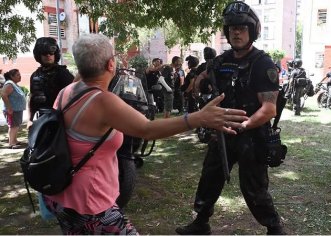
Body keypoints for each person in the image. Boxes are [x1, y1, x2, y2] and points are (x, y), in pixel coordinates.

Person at [42, 33, 247, 234]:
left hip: (61, 195)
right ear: (111, 64)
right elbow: (147, 129)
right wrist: (198, 118)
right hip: (90, 202)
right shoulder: (103, 101)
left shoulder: (66, 92)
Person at [176, 1, 286, 235]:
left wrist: (244, 125)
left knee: (254, 189)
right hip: (222, 133)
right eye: (232, 28)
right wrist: (199, 81)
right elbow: (202, 78)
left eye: (242, 28)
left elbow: (269, 109)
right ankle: (201, 223)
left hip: (252, 135)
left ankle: (274, 228)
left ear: (252, 31)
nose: (236, 32)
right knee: (209, 178)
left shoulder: (262, 64)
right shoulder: (221, 61)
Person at [28, 37, 74, 125]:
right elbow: (32, 99)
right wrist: (30, 120)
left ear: (55, 54)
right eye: (45, 53)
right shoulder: (35, 75)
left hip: (60, 120)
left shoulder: (63, 73)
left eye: (51, 53)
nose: (48, 55)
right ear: (39, 55)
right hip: (41, 119)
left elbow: (74, 97)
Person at [1, 69, 26, 148]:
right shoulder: (9, 84)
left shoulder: (14, 84)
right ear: (12, 76)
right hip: (12, 110)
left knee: (16, 125)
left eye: (19, 74)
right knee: (13, 126)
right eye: (17, 75)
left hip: (17, 109)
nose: (20, 76)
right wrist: (9, 108)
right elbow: (3, 95)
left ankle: (14, 140)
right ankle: (11, 143)